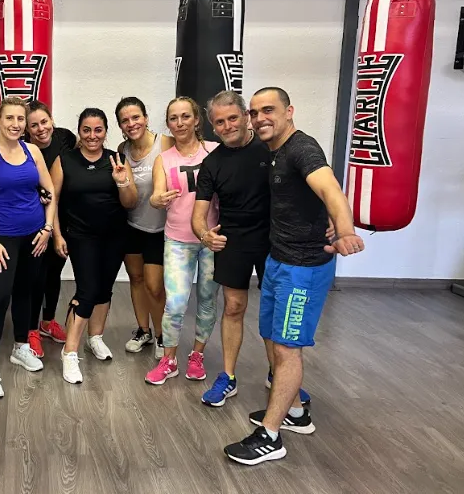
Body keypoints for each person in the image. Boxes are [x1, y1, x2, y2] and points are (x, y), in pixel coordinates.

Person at [223, 87, 364, 465]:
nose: (260, 118)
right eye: (254, 112)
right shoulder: (275, 151)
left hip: (304, 267)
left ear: (289, 111)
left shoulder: (302, 149)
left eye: (268, 110)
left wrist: (344, 229)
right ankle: (296, 412)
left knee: (287, 348)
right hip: (279, 260)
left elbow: (330, 188)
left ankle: (270, 436)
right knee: (271, 337)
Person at [193, 91, 330, 407]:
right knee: (233, 307)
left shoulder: (272, 148)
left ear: (245, 117)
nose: (227, 126)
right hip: (233, 241)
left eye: (232, 118)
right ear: (213, 126)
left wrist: (337, 218)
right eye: (219, 122)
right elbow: (199, 215)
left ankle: (278, 374)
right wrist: (204, 235)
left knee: (276, 313)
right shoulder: (212, 163)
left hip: (274, 239)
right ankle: (228, 376)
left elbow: (317, 184)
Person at [0, 97, 57, 399]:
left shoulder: (32, 151)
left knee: (25, 293)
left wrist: (47, 228)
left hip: (34, 236)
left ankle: (20, 347)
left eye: (20, 119)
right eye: (10, 118)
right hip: (2, 240)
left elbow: (50, 191)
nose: (16, 124)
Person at [51, 108, 138, 384]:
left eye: (98, 130)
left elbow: (130, 202)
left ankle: (95, 337)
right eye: (86, 130)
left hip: (114, 235)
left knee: (104, 289)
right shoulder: (65, 160)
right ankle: (69, 352)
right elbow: (52, 201)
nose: (92, 136)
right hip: (80, 236)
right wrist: (56, 235)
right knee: (87, 291)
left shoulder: (117, 159)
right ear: (79, 131)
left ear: (105, 132)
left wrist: (123, 182)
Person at [144, 97, 220, 385]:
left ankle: (197, 355)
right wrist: (157, 199)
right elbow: (155, 195)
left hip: (212, 240)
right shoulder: (164, 159)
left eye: (185, 116)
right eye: (173, 118)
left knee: (207, 299)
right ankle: (169, 360)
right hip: (177, 240)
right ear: (168, 123)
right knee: (175, 303)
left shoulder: (215, 151)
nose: (179, 123)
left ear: (197, 119)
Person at [116, 97, 173, 358]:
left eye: (136, 117)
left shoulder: (166, 143)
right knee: (136, 278)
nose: (131, 124)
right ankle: (144, 331)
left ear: (146, 118)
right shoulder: (122, 149)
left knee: (154, 285)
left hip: (160, 228)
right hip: (131, 225)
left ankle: (162, 335)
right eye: (125, 120)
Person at [24, 100, 75, 356]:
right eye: (34, 125)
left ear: (52, 120)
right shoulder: (23, 148)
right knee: (36, 276)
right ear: (27, 129)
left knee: (54, 272)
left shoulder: (66, 138)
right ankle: (31, 329)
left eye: (44, 122)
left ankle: (47, 321)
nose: (41, 128)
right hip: (34, 220)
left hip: (62, 217)